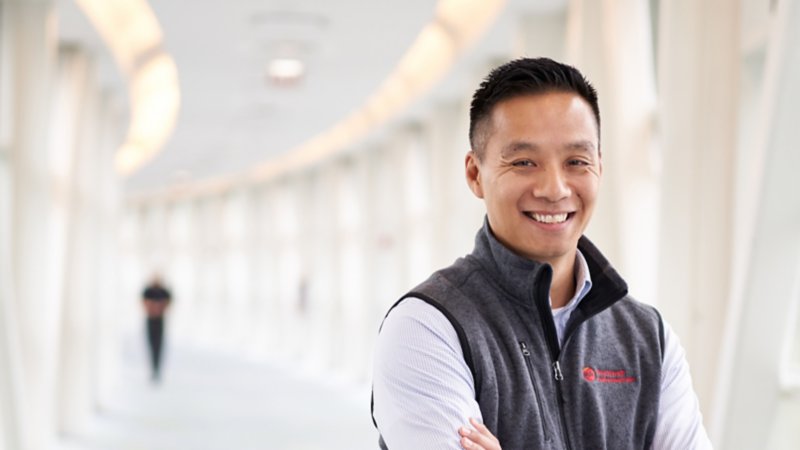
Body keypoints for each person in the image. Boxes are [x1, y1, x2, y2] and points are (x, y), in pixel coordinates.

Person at [371, 57, 712, 449]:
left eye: (576, 162)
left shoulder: (648, 337)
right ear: (474, 173)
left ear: (599, 167)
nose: (554, 188)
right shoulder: (427, 327)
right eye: (524, 162)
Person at [142, 273, 172, 382]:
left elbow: (169, 302)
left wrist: (159, 308)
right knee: (151, 344)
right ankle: (152, 369)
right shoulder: (148, 290)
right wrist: (152, 308)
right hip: (151, 320)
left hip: (160, 320)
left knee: (159, 345)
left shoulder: (163, 291)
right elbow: (143, 302)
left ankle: (157, 370)